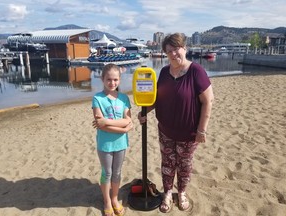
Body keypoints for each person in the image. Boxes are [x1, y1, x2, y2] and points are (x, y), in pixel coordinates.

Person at [138, 33, 214, 213]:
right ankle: (167, 193)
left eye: (176, 49)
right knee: (167, 163)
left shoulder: (196, 71)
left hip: (189, 134)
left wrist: (202, 130)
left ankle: (181, 193)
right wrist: (144, 112)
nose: (173, 54)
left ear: (184, 48)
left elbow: (208, 101)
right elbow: (156, 98)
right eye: (169, 51)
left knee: (184, 165)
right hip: (165, 131)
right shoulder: (164, 72)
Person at [92, 63, 133, 216]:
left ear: (119, 80)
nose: (112, 83)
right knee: (107, 172)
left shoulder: (123, 98)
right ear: (102, 79)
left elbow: (127, 120)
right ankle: (107, 200)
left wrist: (107, 121)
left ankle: (115, 198)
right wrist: (124, 128)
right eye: (109, 79)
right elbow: (101, 126)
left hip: (121, 143)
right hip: (105, 144)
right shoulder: (97, 98)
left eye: (115, 79)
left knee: (117, 172)